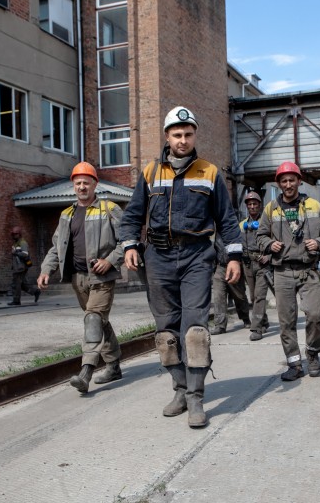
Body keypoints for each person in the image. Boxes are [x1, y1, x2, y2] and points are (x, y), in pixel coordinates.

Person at [119, 106, 242, 428]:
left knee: (196, 331)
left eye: (188, 134)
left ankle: (197, 397)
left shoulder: (209, 173)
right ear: (167, 136)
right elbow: (132, 215)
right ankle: (180, 389)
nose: (183, 140)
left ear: (194, 136)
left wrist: (234, 256)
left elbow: (227, 220)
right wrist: (130, 245)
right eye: (177, 135)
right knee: (166, 332)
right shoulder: (150, 173)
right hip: (158, 259)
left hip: (197, 257)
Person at [37, 162, 125, 394]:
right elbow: (57, 247)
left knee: (93, 320)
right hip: (78, 278)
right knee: (98, 321)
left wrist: (110, 260)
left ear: (95, 184)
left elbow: (128, 239)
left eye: (87, 182)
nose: (82, 187)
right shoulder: (67, 214)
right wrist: (46, 270)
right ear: (73, 186)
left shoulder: (109, 208)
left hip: (102, 277)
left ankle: (86, 372)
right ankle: (114, 364)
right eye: (78, 183)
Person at [256, 161, 320, 381]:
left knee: (314, 314)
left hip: (308, 270)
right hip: (281, 272)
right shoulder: (270, 208)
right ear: (279, 183)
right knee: (286, 321)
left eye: (292, 180)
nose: (288, 184)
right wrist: (268, 244)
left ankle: (312, 355)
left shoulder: (313, 205)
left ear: (299, 181)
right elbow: (260, 235)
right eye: (284, 180)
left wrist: (319, 242)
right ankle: (294, 364)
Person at [240, 191, 272, 341]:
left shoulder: (267, 223)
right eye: (249, 204)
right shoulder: (243, 224)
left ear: (260, 206)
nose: (252, 206)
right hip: (247, 263)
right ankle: (264, 321)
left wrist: (269, 256)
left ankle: (256, 328)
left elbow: (278, 241)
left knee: (259, 296)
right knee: (253, 296)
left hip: (262, 264)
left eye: (255, 204)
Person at [211, 231, 252, 335]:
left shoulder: (234, 230)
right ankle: (220, 325)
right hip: (220, 267)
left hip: (234, 265)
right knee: (218, 296)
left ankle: (245, 318)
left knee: (239, 295)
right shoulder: (215, 231)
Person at [8, 226, 40, 306]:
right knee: (21, 284)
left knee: (16, 284)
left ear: (19, 234)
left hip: (20, 267)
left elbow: (25, 254)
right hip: (17, 267)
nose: (13, 236)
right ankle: (35, 291)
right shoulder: (16, 243)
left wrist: (15, 253)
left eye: (15, 234)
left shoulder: (22, 243)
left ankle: (16, 301)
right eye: (13, 234)